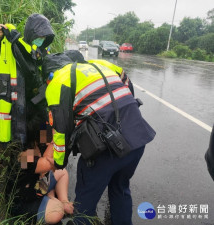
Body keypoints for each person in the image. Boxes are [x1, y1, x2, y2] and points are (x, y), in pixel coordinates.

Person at [41, 52, 156, 224]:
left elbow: (61, 130)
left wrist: (59, 163)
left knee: (85, 200)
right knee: (120, 188)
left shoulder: (58, 80)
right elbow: (128, 89)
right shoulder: (102, 65)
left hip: (105, 149)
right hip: (136, 137)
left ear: (50, 74)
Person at [0, 13, 55, 150]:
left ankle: (43, 163)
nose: (41, 40)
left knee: (44, 141)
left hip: (38, 104)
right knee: (24, 147)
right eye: (39, 37)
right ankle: (27, 164)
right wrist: (0, 37)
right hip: (21, 108)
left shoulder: (40, 53)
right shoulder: (14, 46)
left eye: (44, 38)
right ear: (31, 33)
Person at [9, 143, 74, 224]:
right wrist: (52, 197)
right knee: (58, 210)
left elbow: (47, 172)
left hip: (35, 185)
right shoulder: (24, 157)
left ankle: (64, 201)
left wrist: (61, 200)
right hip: (24, 201)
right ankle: (58, 206)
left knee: (62, 172)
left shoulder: (37, 141)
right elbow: (51, 165)